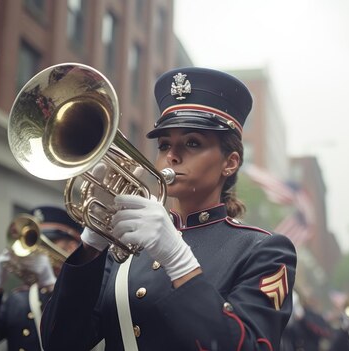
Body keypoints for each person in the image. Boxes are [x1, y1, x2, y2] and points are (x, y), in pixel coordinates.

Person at [40, 67, 297, 350]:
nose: (172, 156)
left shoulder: (262, 250)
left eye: (192, 143)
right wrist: (92, 243)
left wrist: (178, 261)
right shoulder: (123, 249)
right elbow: (59, 343)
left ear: (230, 162)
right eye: (164, 145)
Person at [0, 206, 82, 351]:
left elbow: (77, 333)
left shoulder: (85, 291)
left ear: (71, 247)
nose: (38, 249)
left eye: (50, 241)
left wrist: (50, 284)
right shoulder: (20, 299)